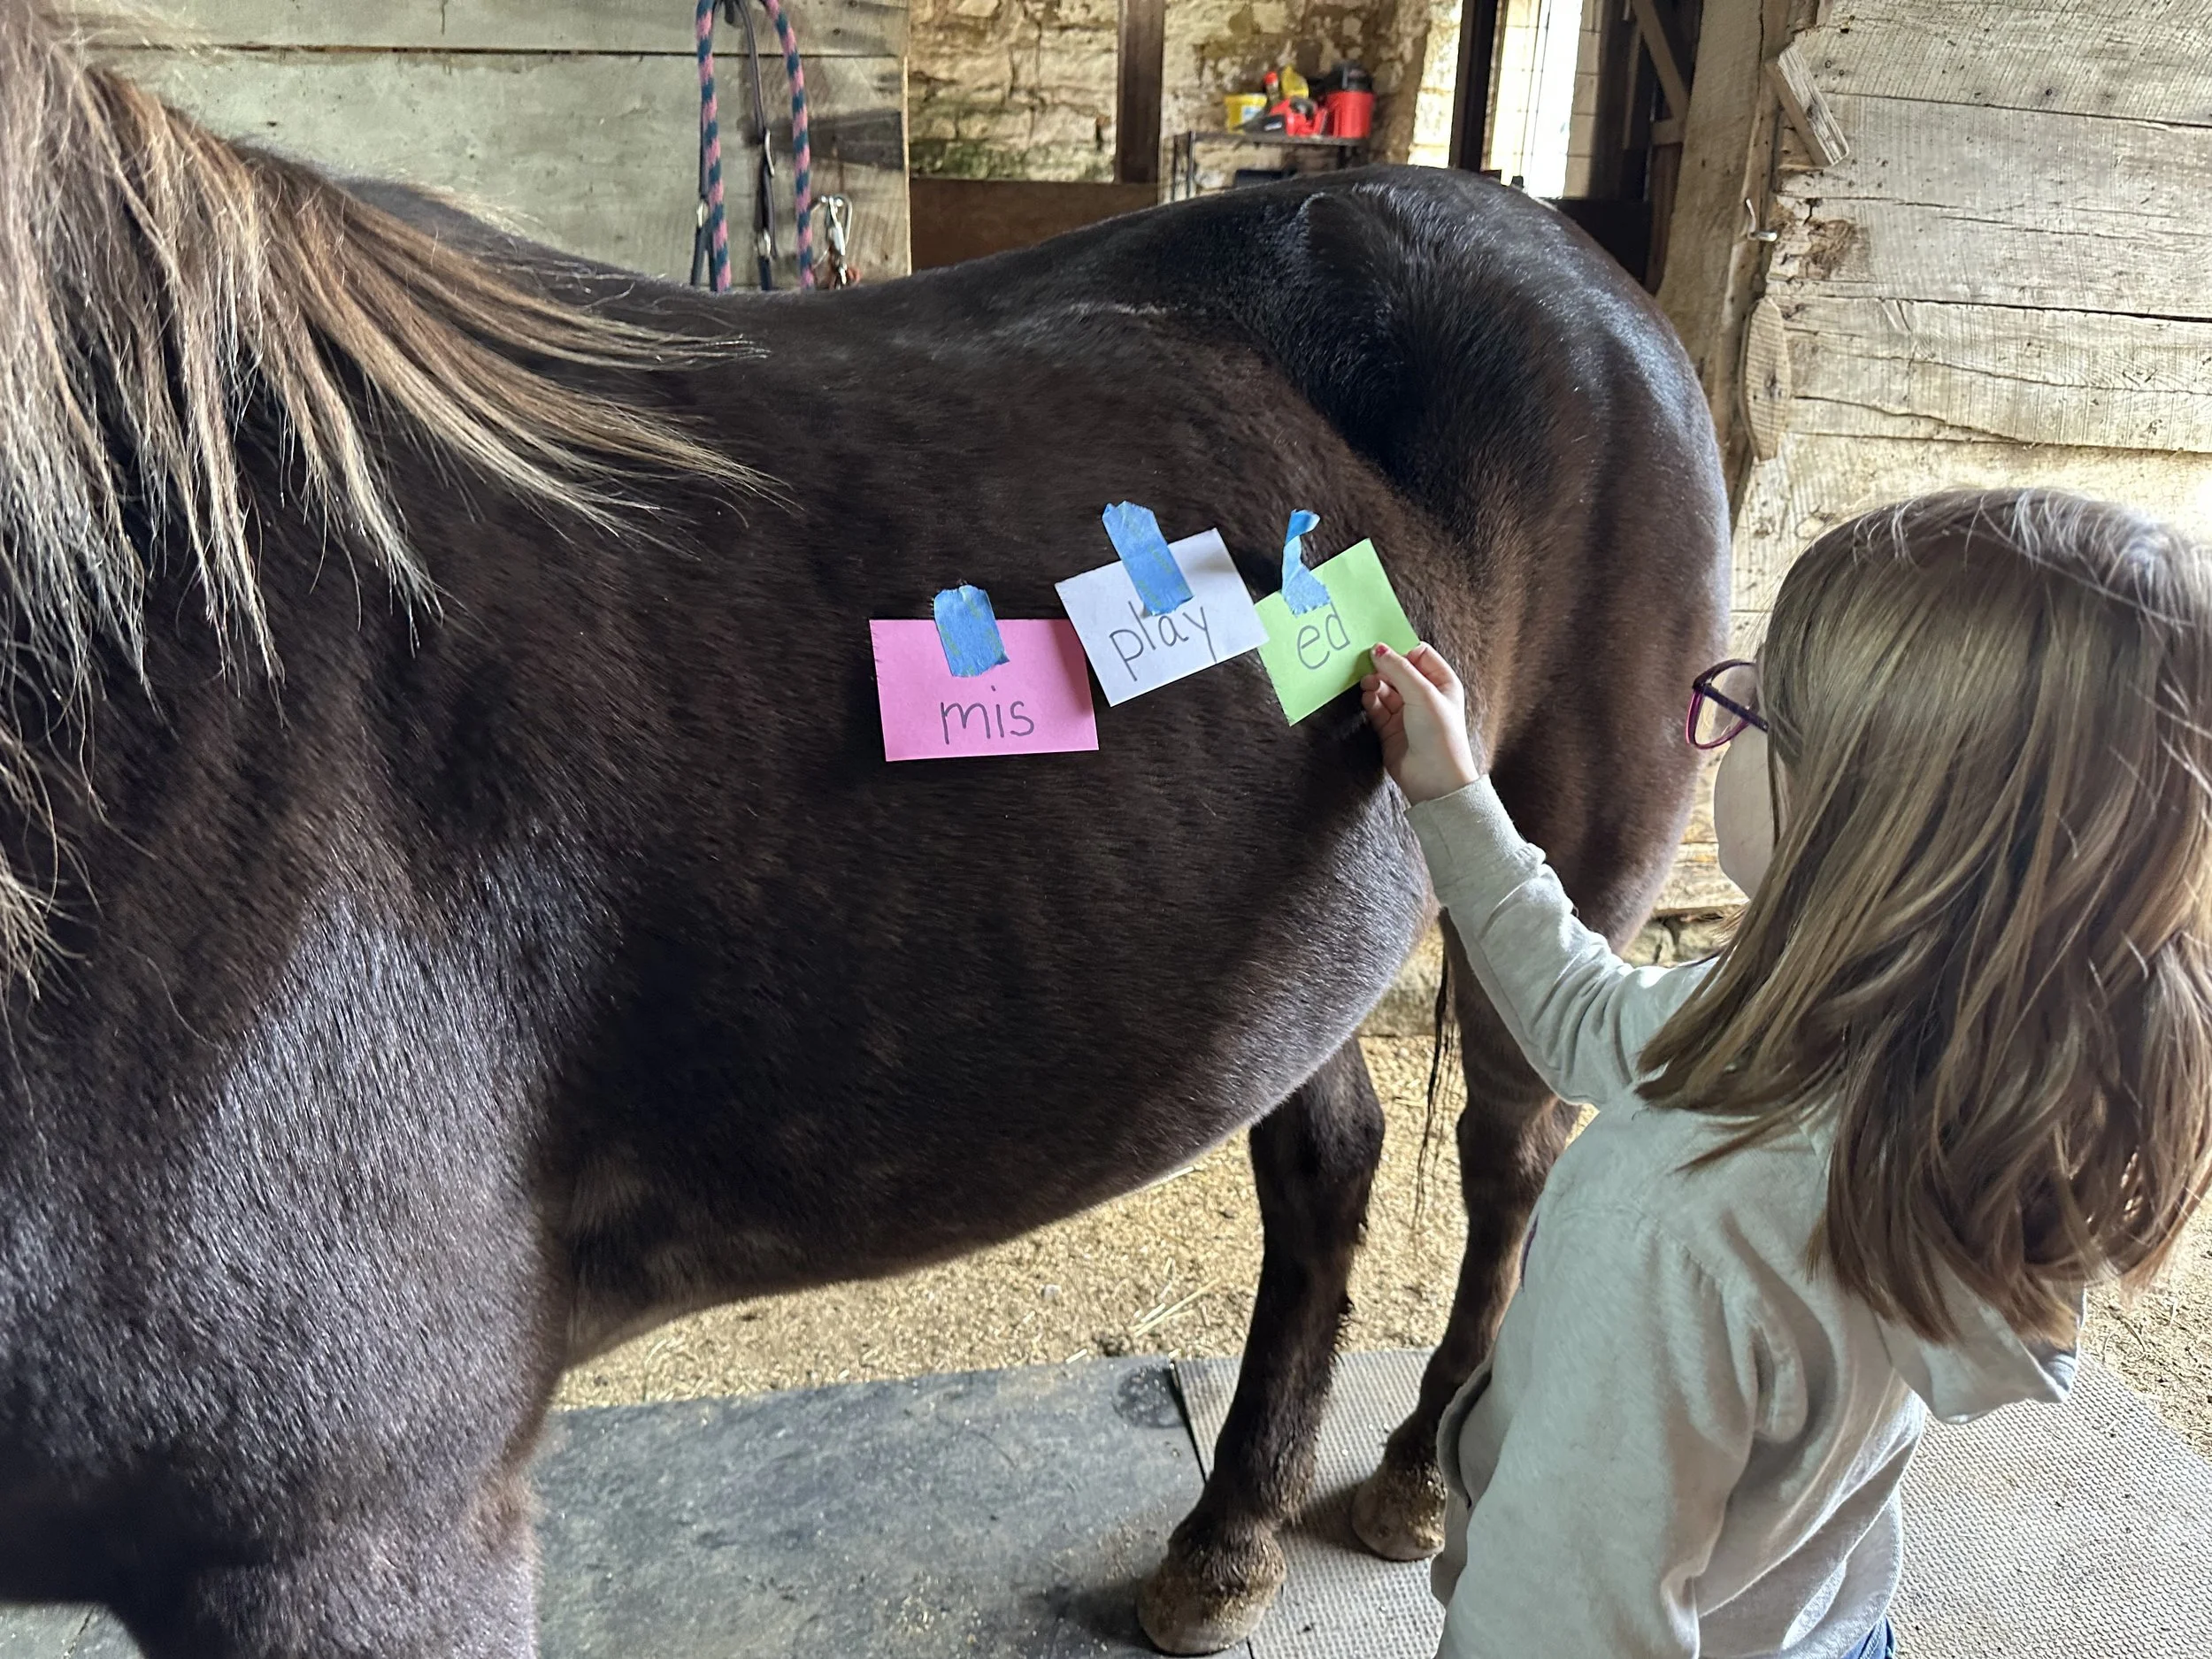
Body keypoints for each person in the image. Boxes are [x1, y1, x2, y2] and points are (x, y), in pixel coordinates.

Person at [1359, 489, 2212, 1659]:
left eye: (1759, 708)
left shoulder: (1672, 1224)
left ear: (1855, 814)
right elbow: (1586, 1015)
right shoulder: (1955, 1056)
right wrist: (1458, 801)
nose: (1729, 710)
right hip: (1814, 1624)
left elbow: (1556, 1628)